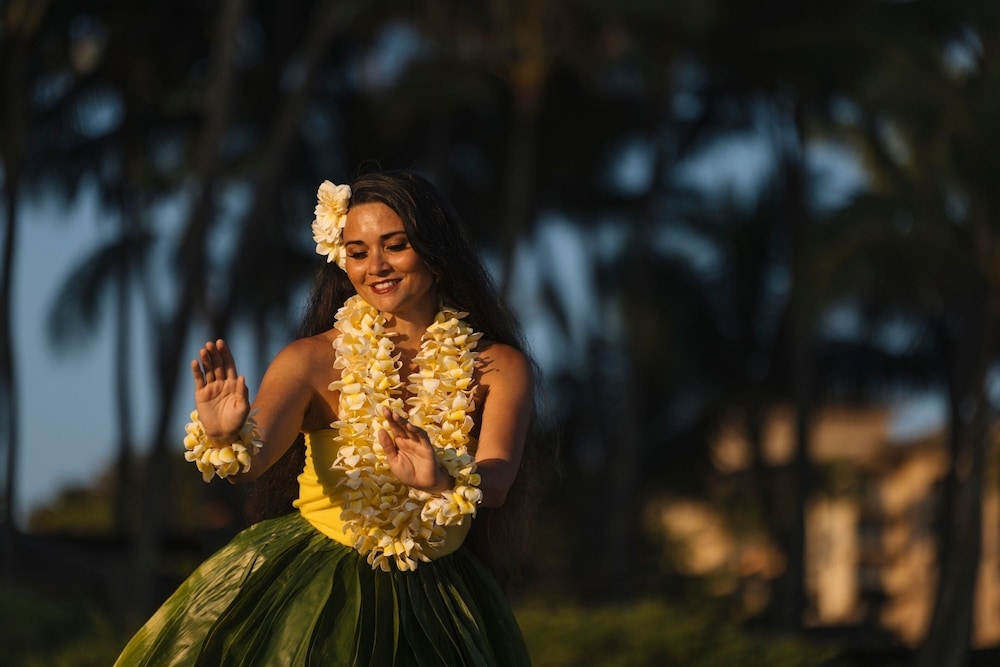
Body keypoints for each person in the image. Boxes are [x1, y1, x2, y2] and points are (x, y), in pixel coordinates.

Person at [115, 168, 539, 666]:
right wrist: (227, 436)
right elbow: (252, 462)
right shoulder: (310, 360)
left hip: (439, 598)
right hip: (316, 591)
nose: (376, 266)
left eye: (395, 246)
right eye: (357, 253)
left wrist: (441, 480)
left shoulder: (499, 366)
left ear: (436, 251)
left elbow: (497, 481)